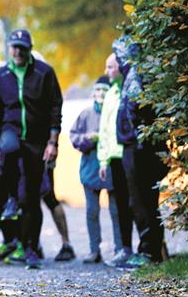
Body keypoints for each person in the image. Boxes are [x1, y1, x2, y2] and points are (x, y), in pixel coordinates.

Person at [0, 29, 63, 269]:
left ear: (29, 49)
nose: (18, 51)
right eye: (14, 47)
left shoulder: (44, 72)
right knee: (7, 149)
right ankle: (11, 197)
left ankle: (31, 247)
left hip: (36, 137)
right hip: (10, 130)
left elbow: (55, 107)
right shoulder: (0, 75)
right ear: (9, 48)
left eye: (22, 47)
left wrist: (53, 141)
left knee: (31, 197)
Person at [112, 36, 168, 268]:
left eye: (117, 54)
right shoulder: (140, 72)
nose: (116, 59)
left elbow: (136, 111)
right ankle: (152, 250)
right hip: (139, 146)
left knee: (142, 201)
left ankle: (148, 252)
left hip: (138, 148)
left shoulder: (136, 75)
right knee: (145, 200)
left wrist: (136, 140)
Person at [70, 75, 123, 264]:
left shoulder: (115, 111)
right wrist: (86, 138)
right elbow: (73, 136)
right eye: (97, 90)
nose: (100, 93)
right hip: (90, 169)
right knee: (92, 211)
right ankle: (94, 250)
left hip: (111, 169)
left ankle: (120, 248)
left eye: (104, 90)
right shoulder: (86, 113)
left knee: (117, 211)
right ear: (93, 92)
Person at [97, 53, 135, 267]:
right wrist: (103, 160)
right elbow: (104, 129)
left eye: (110, 67)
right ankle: (125, 248)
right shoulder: (111, 93)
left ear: (121, 67)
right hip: (114, 159)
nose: (107, 72)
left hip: (130, 155)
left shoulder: (130, 90)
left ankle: (150, 250)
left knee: (138, 204)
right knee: (120, 205)